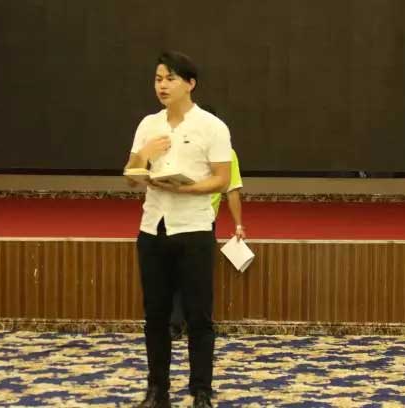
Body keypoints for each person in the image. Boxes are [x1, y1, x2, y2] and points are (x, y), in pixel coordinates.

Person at [124, 50, 232, 408]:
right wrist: (144, 154)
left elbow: (222, 179)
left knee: (198, 316)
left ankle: (201, 392)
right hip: (152, 228)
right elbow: (131, 177)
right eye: (158, 79)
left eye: (170, 79)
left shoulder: (212, 127)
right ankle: (158, 391)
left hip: (194, 229)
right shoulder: (147, 125)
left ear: (190, 84)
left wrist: (186, 188)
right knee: (155, 316)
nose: (162, 86)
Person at [170, 146, 246, 341]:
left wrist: (238, 225)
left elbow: (232, 190)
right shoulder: (188, 147)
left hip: (200, 220)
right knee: (183, 273)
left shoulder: (226, 152)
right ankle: (179, 325)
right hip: (182, 218)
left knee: (195, 276)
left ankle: (191, 327)